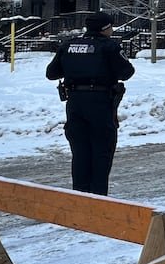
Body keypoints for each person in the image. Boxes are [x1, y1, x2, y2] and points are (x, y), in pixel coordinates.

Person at [45, 11, 135, 195]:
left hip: (75, 104)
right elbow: (126, 72)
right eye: (111, 27)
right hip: (101, 103)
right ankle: (98, 200)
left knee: (80, 153)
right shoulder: (109, 46)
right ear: (105, 28)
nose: (112, 30)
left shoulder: (68, 45)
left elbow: (52, 73)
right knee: (101, 152)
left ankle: (80, 197)